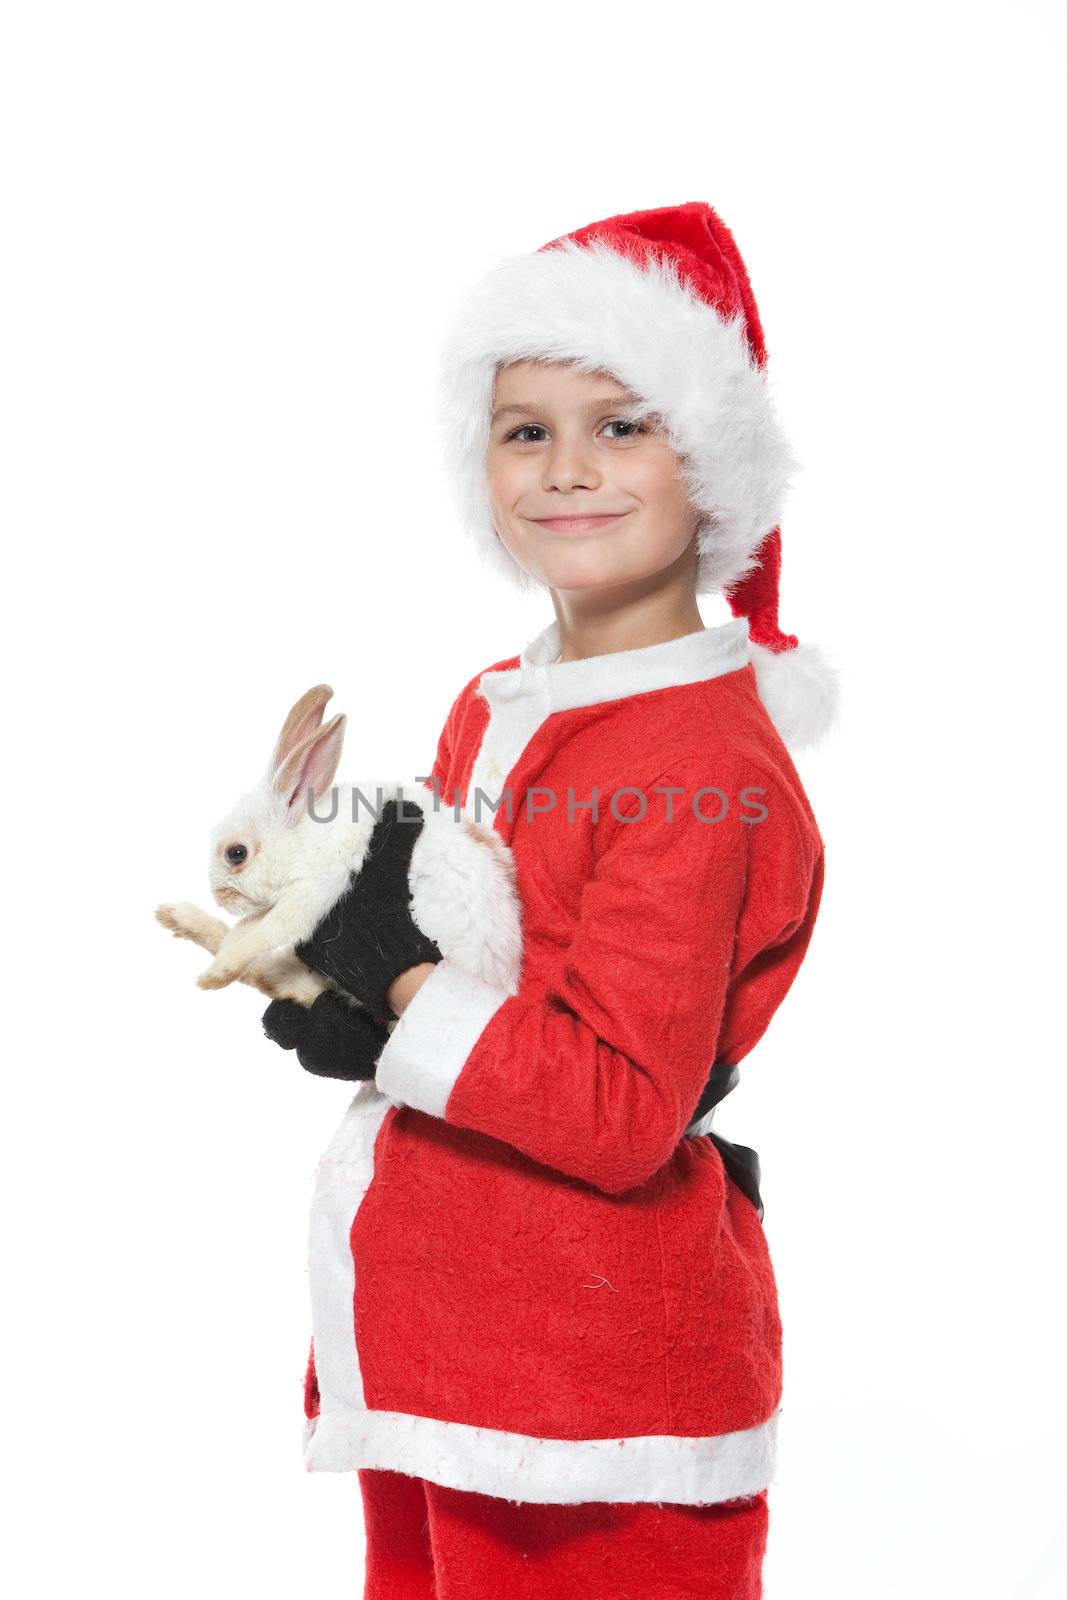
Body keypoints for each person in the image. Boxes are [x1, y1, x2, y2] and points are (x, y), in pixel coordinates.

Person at [262, 200, 839, 1599]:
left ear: (711, 459)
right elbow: (488, 958)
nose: (569, 469)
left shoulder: (704, 762)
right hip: (461, 1345)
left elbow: (619, 1108)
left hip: (592, 1396)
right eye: (528, 430)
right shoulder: (502, 698)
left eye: (623, 425)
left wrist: (395, 986)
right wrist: (342, 975)